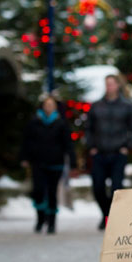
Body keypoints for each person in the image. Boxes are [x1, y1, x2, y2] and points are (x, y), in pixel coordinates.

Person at [86, 74, 132, 230]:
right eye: (107, 84)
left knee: (117, 187)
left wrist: (127, 146)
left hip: (118, 153)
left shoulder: (127, 106)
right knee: (98, 187)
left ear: (118, 85)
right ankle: (105, 214)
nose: (109, 87)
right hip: (99, 153)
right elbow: (88, 128)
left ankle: (111, 217)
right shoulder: (96, 106)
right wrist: (91, 146)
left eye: (112, 84)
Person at [20, 94, 76, 234]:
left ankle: (51, 222)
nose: (49, 107)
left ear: (55, 107)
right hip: (38, 162)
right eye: (46, 104)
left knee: (52, 192)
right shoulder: (34, 122)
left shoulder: (61, 123)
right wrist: (24, 157)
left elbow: (68, 144)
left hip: (55, 162)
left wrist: (72, 161)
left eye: (51, 105)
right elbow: (26, 141)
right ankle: (40, 218)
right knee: (38, 191)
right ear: (43, 106)